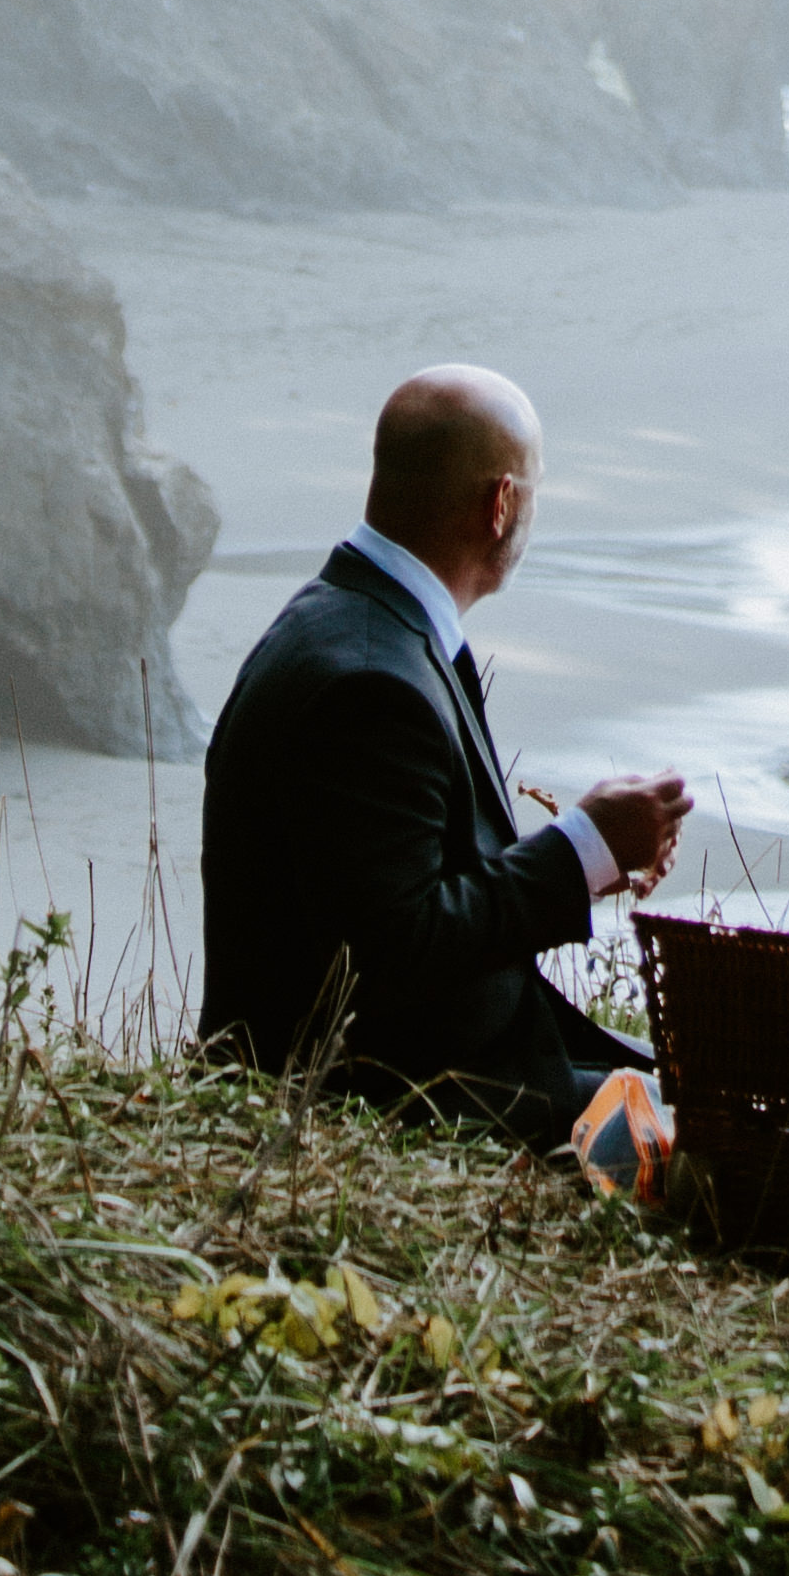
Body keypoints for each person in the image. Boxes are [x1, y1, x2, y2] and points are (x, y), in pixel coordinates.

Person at [197, 359, 689, 1149]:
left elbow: (395, 884)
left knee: (713, 1101)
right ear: (500, 504)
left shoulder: (358, 622)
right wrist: (582, 849)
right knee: (740, 1148)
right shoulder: (367, 679)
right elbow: (396, 949)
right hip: (390, 1105)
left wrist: (594, 857)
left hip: (415, 1071)